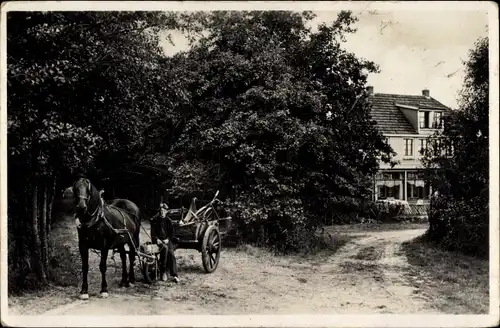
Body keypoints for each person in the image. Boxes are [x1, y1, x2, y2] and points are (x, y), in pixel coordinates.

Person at [150, 203, 180, 283]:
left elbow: (172, 234)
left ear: (166, 212)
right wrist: (156, 239)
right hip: (158, 241)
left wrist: (168, 239)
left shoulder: (169, 221)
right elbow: (153, 233)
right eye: (161, 211)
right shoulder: (155, 221)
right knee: (164, 249)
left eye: (164, 211)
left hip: (167, 240)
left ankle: (174, 275)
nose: (162, 212)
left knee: (170, 253)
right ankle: (163, 272)